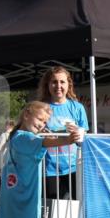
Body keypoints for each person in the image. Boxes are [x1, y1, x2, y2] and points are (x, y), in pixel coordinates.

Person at [37, 67, 89, 199]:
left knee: (74, 210)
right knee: (52, 213)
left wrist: (79, 134)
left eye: (62, 82)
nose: (58, 86)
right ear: (47, 85)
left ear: (68, 84)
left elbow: (85, 140)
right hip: (48, 170)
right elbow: (33, 136)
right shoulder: (40, 108)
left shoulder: (77, 108)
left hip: (73, 168)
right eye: (54, 82)